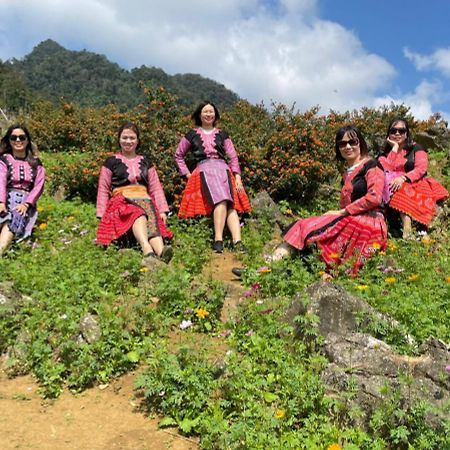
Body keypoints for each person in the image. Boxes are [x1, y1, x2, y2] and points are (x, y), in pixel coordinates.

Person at [265, 125, 387, 277]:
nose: (348, 146)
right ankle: (272, 266)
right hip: (353, 218)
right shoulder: (346, 174)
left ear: (360, 143)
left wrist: (342, 212)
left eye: (352, 142)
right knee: (308, 227)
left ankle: (271, 266)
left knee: (306, 227)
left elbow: (374, 197)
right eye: (342, 144)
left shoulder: (372, 165)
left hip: (370, 221)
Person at [175, 101, 251, 253]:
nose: (208, 114)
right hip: (204, 171)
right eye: (205, 111)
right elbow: (178, 155)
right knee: (222, 200)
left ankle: (237, 242)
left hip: (224, 170)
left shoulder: (223, 134)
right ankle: (219, 239)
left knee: (230, 205)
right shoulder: (191, 134)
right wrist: (188, 174)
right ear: (199, 115)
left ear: (215, 114)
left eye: (211, 111)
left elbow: (233, 156)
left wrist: (237, 177)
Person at [96, 122, 173, 262]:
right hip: (122, 201)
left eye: (132, 138)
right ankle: (146, 249)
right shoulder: (111, 162)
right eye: (124, 138)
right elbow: (103, 188)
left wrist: (162, 210)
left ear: (138, 141)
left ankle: (162, 252)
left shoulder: (145, 161)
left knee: (151, 217)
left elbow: (155, 187)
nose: (128, 141)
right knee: (137, 212)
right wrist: (101, 215)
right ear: (119, 140)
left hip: (145, 199)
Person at [378, 117, 448, 238]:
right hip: (393, 186)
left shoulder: (416, 148)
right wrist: (394, 148)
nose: (397, 133)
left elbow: (421, 168)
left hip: (416, 182)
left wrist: (403, 178)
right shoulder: (383, 155)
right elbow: (386, 170)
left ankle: (415, 229)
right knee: (394, 186)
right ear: (388, 134)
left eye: (401, 131)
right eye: (393, 131)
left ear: (407, 133)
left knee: (402, 187)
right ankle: (406, 230)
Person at [0, 124, 45, 256]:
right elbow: (0, 180)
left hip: (24, 203)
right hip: (4, 197)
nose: (18, 140)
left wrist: (27, 204)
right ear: (9, 140)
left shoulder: (36, 163)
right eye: (14, 137)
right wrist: (1, 202)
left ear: (27, 140)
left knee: (12, 221)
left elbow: (39, 186)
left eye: (21, 137)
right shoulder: (4, 160)